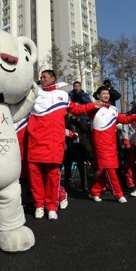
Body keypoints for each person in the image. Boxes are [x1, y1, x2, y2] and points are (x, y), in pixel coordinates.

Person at [27, 70, 95, 220]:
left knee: (53, 177)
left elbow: (76, 109)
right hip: (36, 142)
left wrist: (93, 105)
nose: (42, 79)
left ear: (53, 78)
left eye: (44, 77)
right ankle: (39, 205)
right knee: (35, 176)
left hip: (54, 143)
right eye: (41, 77)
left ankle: (52, 207)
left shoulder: (63, 96)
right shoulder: (34, 93)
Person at [85, 86, 136, 203]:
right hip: (100, 144)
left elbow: (125, 119)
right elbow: (88, 111)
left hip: (111, 144)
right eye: (103, 93)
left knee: (108, 169)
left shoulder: (113, 109)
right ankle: (118, 193)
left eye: (108, 94)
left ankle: (94, 191)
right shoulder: (93, 108)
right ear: (98, 95)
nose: (106, 95)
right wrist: (95, 104)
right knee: (109, 169)